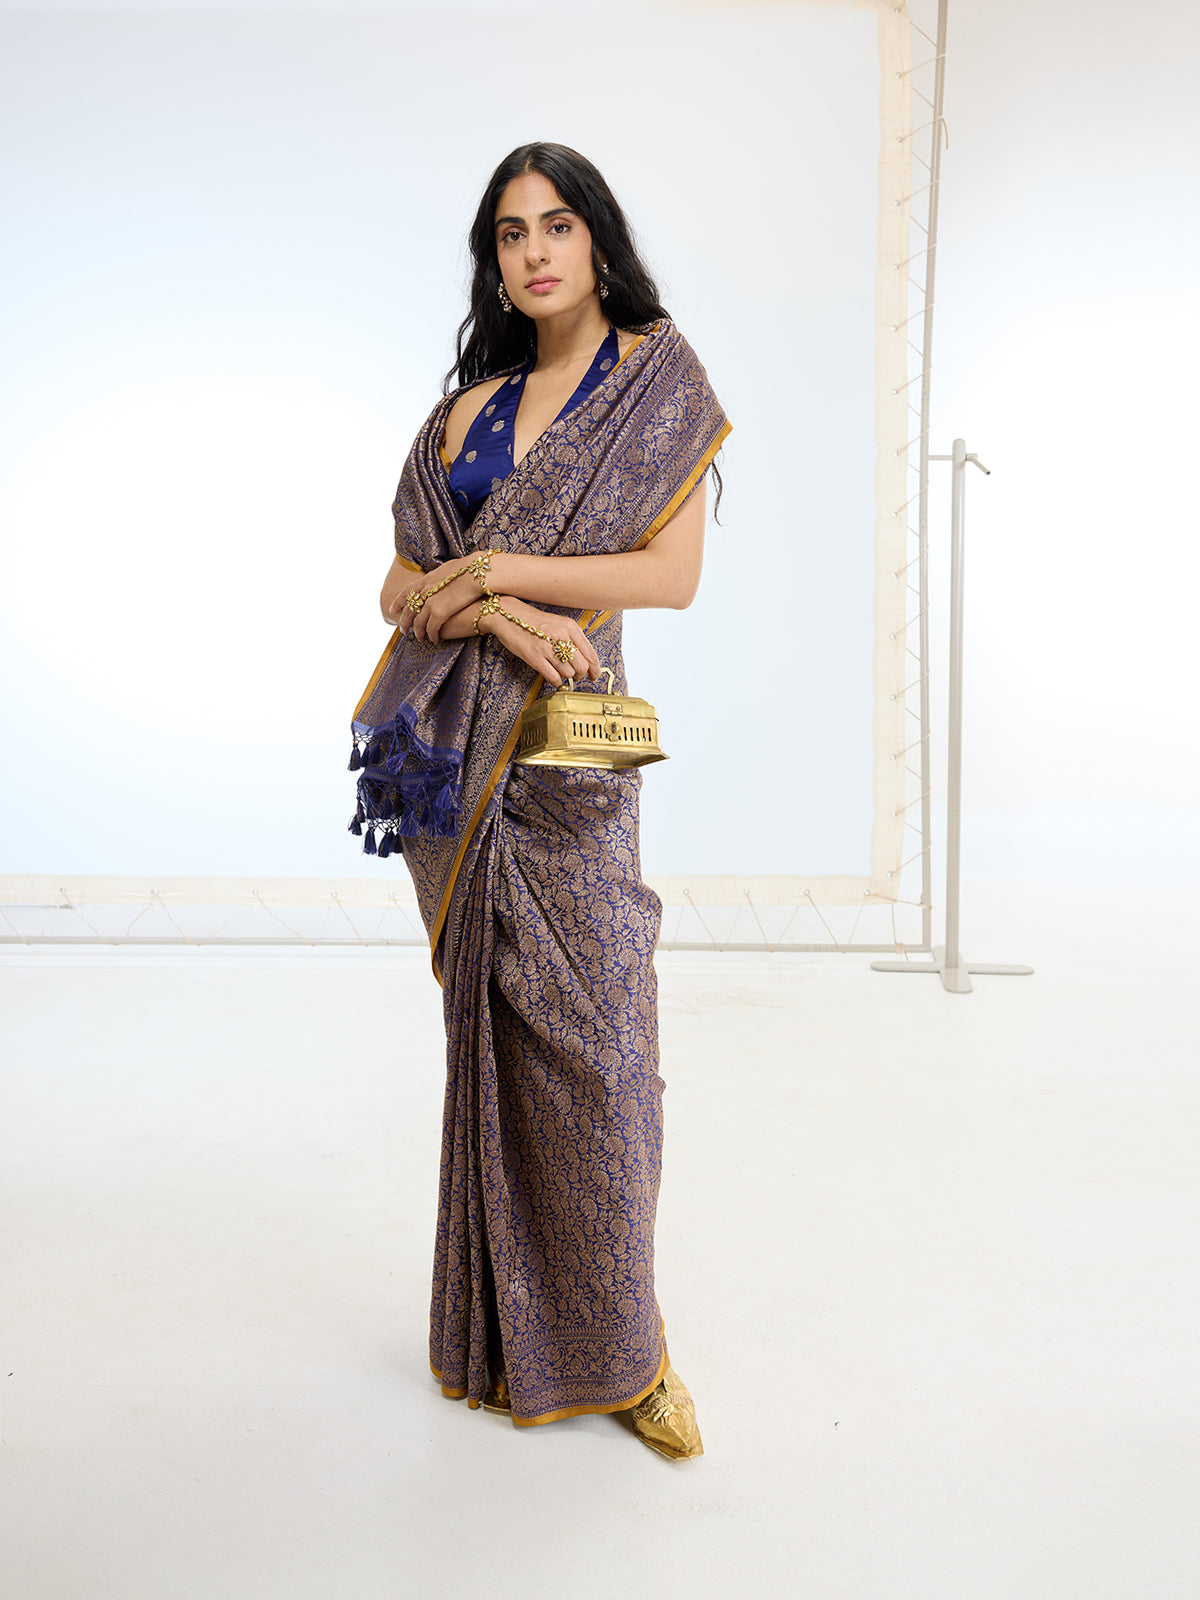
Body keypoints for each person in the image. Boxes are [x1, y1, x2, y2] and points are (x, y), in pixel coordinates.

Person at [346, 142, 730, 1461]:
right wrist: (493, 606)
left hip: (567, 767)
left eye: (557, 225)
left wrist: (495, 575)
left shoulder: (655, 387)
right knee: (501, 1060)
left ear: (598, 240)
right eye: (511, 234)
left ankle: (631, 1349)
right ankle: (511, 1340)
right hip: (451, 763)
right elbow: (399, 587)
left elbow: (669, 578)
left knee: (607, 1062)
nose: (535, 252)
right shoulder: (465, 417)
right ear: (494, 263)